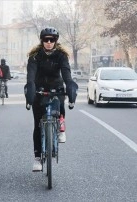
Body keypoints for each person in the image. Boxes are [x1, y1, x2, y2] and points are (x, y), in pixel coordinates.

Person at [24, 27, 78, 171]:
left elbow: (66, 74)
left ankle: (61, 126)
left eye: (52, 40)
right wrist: (30, 90)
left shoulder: (61, 55)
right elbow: (30, 75)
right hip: (39, 88)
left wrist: (70, 87)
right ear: (42, 41)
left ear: (56, 41)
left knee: (59, 102)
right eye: (46, 39)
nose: (49, 42)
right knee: (37, 124)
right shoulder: (35, 56)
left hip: (56, 86)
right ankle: (37, 158)